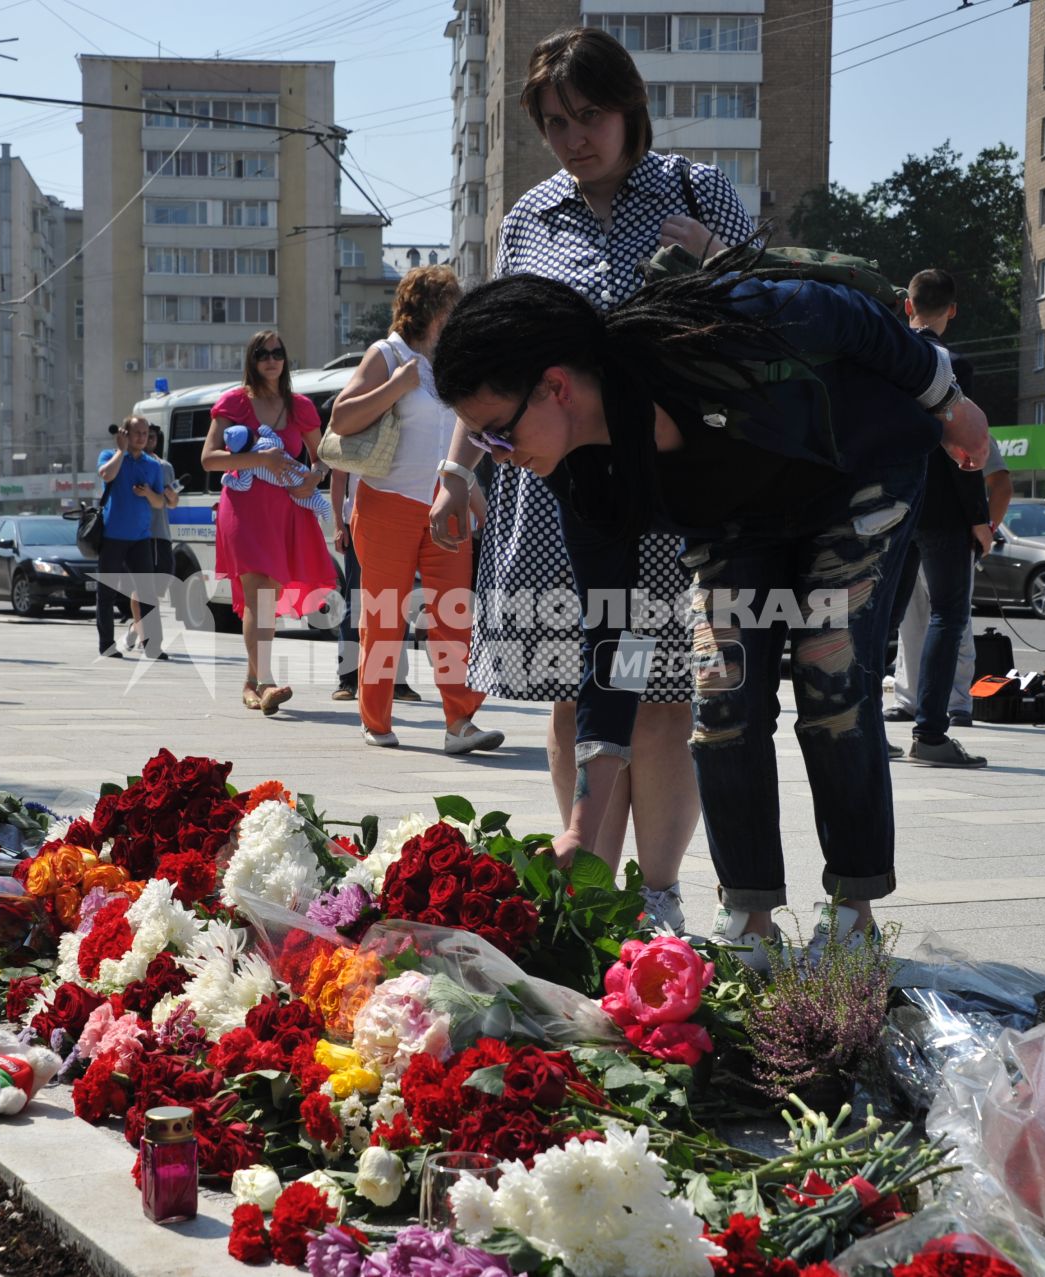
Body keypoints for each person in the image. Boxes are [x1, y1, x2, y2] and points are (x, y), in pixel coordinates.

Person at [431, 250, 989, 965]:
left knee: (829, 672)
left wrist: (950, 403)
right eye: (480, 440)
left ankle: (853, 913)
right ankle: (748, 919)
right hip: (740, 519)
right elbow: (617, 639)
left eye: (496, 431)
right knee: (721, 690)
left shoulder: (699, 338)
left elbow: (843, 316)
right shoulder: (584, 479)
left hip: (857, 473)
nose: (495, 455)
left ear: (554, 388)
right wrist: (580, 824)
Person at [427, 26, 754, 930]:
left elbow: (760, 320)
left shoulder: (699, 189)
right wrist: (458, 470)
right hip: (549, 488)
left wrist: (718, 269)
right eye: (557, 121)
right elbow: (496, 358)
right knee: (572, 690)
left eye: (591, 114)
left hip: (661, 485)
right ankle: (588, 893)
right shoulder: (530, 218)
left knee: (660, 692)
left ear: (629, 106)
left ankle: (658, 899)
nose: (577, 136)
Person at [328, 265, 502, 754]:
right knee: (385, 619)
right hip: (386, 504)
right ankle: (376, 720)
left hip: (444, 505)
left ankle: (459, 723)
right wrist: (396, 386)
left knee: (454, 617)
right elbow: (341, 418)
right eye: (453, 302)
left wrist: (472, 492)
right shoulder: (388, 354)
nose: (459, 310)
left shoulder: (451, 360)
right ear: (428, 307)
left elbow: (461, 433)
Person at [881, 269, 996, 769]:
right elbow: (966, 450)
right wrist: (980, 518)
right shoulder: (952, 363)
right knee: (949, 614)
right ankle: (930, 734)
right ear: (951, 309)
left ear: (908, 306)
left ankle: (864, 730)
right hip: (942, 512)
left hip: (889, 506)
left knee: (883, 617)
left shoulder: (882, 357)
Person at [202, 331, 337, 711]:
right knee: (260, 596)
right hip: (243, 512)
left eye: (278, 352)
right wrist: (262, 460)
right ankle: (266, 682)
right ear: (252, 359)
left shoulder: (300, 407)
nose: (271, 359)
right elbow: (209, 459)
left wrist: (312, 479)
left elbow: (323, 455)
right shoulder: (233, 402)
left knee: (265, 599)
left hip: (286, 514)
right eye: (262, 353)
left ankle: (249, 682)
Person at [888, 451, 1011, 729]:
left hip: (944, 524)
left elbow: (1000, 484)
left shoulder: (956, 414)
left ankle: (956, 704)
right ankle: (911, 702)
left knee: (952, 620)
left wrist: (985, 525)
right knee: (912, 620)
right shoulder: (919, 413)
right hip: (910, 522)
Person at [329, 469, 421, 703]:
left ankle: (397, 681)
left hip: (400, 523)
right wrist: (339, 523)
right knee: (356, 602)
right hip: (358, 521)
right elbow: (338, 476)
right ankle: (348, 680)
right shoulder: (351, 431)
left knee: (397, 604)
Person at [95, 418, 171, 660]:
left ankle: (153, 646)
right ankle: (107, 645)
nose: (141, 437)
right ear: (125, 433)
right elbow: (106, 475)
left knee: (147, 592)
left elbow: (161, 502)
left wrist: (149, 493)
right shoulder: (111, 455)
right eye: (136, 433)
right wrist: (121, 450)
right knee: (106, 593)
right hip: (112, 535)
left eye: (145, 433)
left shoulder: (152, 465)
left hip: (141, 538)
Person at [122, 422, 179, 654]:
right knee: (143, 587)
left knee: (156, 588)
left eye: (151, 437)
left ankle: (137, 627)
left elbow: (172, 503)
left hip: (160, 535)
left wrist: (169, 496)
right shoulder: (126, 463)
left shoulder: (163, 467)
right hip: (137, 535)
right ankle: (147, 636)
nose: (147, 440)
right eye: (142, 435)